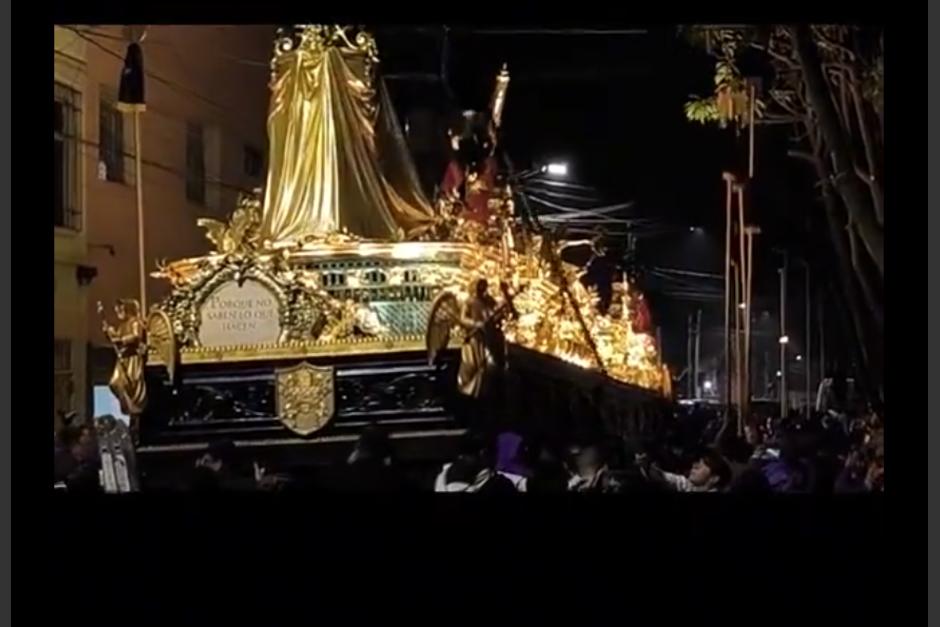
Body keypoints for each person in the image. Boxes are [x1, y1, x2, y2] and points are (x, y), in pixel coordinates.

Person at [636, 449, 731, 493]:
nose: (694, 465)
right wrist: (646, 464)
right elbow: (665, 477)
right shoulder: (690, 486)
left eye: (701, 466)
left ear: (714, 478)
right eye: (697, 463)